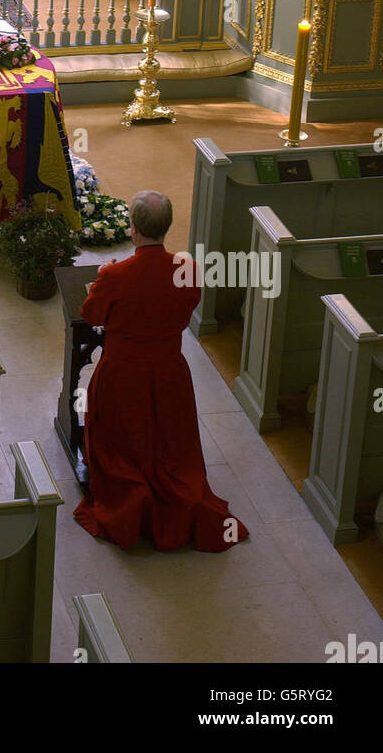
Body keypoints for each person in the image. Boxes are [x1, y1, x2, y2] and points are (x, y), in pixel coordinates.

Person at [73, 190, 248, 552]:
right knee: (169, 438)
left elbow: (91, 315)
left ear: (133, 228)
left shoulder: (114, 275)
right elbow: (187, 308)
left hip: (122, 372)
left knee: (122, 435)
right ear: (166, 228)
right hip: (169, 370)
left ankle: (131, 496)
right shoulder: (188, 271)